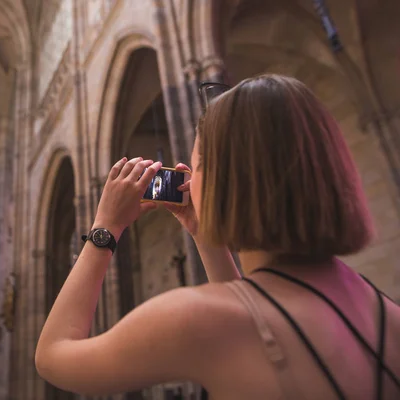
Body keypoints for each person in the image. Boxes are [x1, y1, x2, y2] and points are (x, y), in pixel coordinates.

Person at [35, 74, 400, 399]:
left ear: (223, 177)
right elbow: (253, 308)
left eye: (197, 165)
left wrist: (105, 230)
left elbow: (54, 357)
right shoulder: (382, 309)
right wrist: (205, 233)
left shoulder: (198, 319)